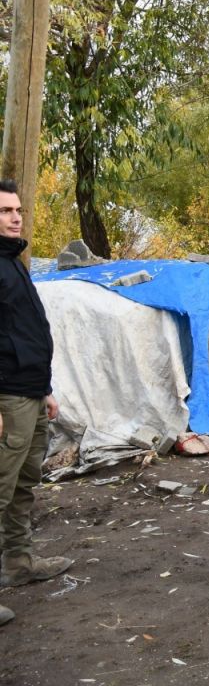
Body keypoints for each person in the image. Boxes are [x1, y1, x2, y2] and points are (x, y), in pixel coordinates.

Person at [0, 179, 71, 626]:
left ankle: (18, 563)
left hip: (28, 391)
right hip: (6, 398)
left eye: (18, 210)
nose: (15, 217)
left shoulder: (13, 262)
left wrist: (43, 388)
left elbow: (23, 334)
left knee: (23, 485)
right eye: (5, 211)